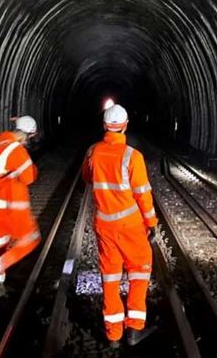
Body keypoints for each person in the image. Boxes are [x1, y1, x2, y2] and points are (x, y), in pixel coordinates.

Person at [82, 104, 158, 348]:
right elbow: (143, 194)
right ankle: (134, 329)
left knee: (111, 276)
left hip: (104, 225)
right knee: (139, 271)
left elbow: (87, 177)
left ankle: (113, 334)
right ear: (125, 125)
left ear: (105, 126)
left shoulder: (93, 152)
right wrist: (151, 223)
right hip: (129, 225)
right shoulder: (132, 156)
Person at [0, 116, 42, 298]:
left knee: (0, 244)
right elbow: (29, 177)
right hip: (5, 206)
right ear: (26, 135)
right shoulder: (16, 150)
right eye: (30, 137)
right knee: (31, 239)